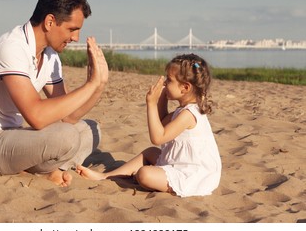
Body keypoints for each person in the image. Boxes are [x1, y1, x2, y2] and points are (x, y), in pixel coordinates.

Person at [0, 0, 109, 187]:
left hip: (12, 139)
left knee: (89, 129)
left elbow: (68, 117)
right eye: (72, 29)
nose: (75, 38)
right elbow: (37, 117)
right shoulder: (12, 47)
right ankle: (51, 170)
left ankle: (49, 170)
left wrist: (98, 85)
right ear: (50, 21)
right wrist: (90, 84)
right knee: (67, 137)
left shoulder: (51, 56)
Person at [77, 54, 221, 197]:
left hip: (192, 174)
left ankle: (170, 185)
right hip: (180, 162)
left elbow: (158, 137)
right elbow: (162, 122)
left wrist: (151, 103)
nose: (165, 83)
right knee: (150, 152)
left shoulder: (188, 115)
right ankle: (106, 176)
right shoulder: (182, 110)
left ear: (185, 88)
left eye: (169, 80)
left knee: (144, 174)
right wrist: (162, 98)